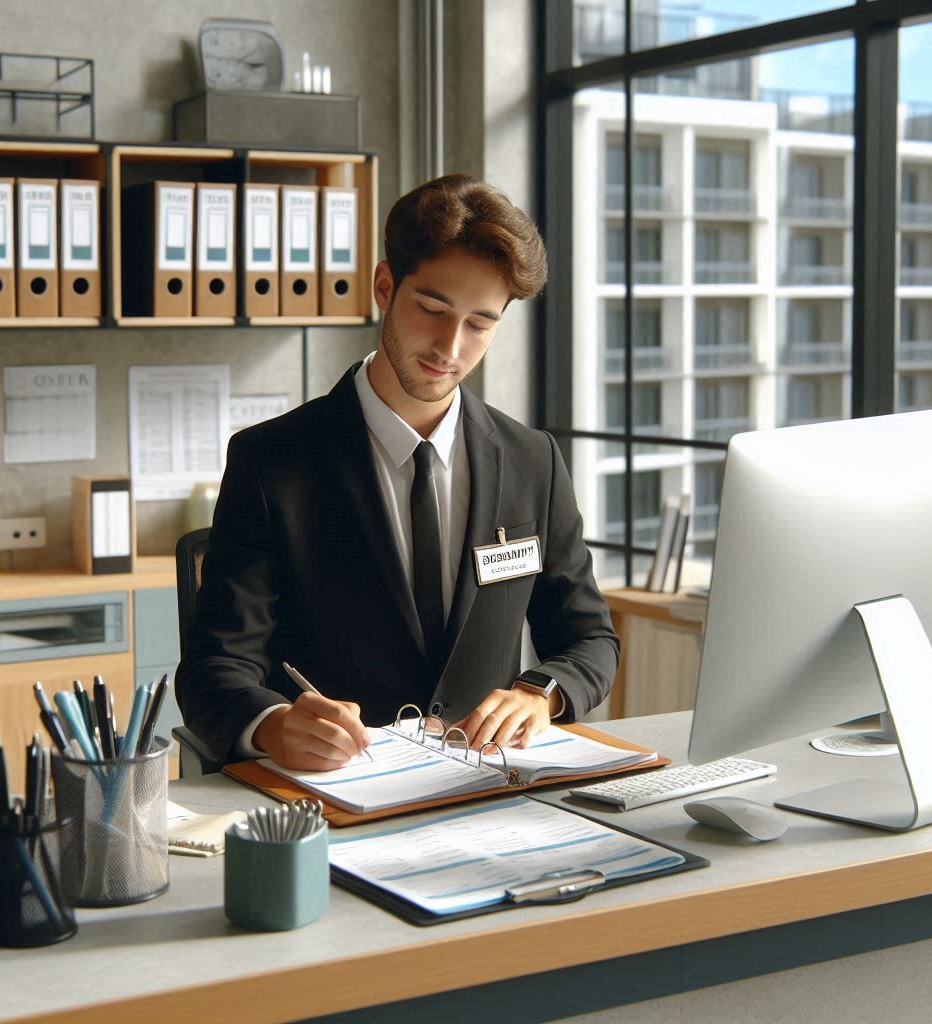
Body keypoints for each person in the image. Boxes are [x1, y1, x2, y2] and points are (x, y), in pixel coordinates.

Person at [175, 173, 618, 771]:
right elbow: (214, 667)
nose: (450, 348)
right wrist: (275, 725)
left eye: (480, 323)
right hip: (332, 798)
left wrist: (541, 692)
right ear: (386, 286)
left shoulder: (531, 460)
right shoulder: (271, 461)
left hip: (484, 788)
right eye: (432, 309)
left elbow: (591, 639)